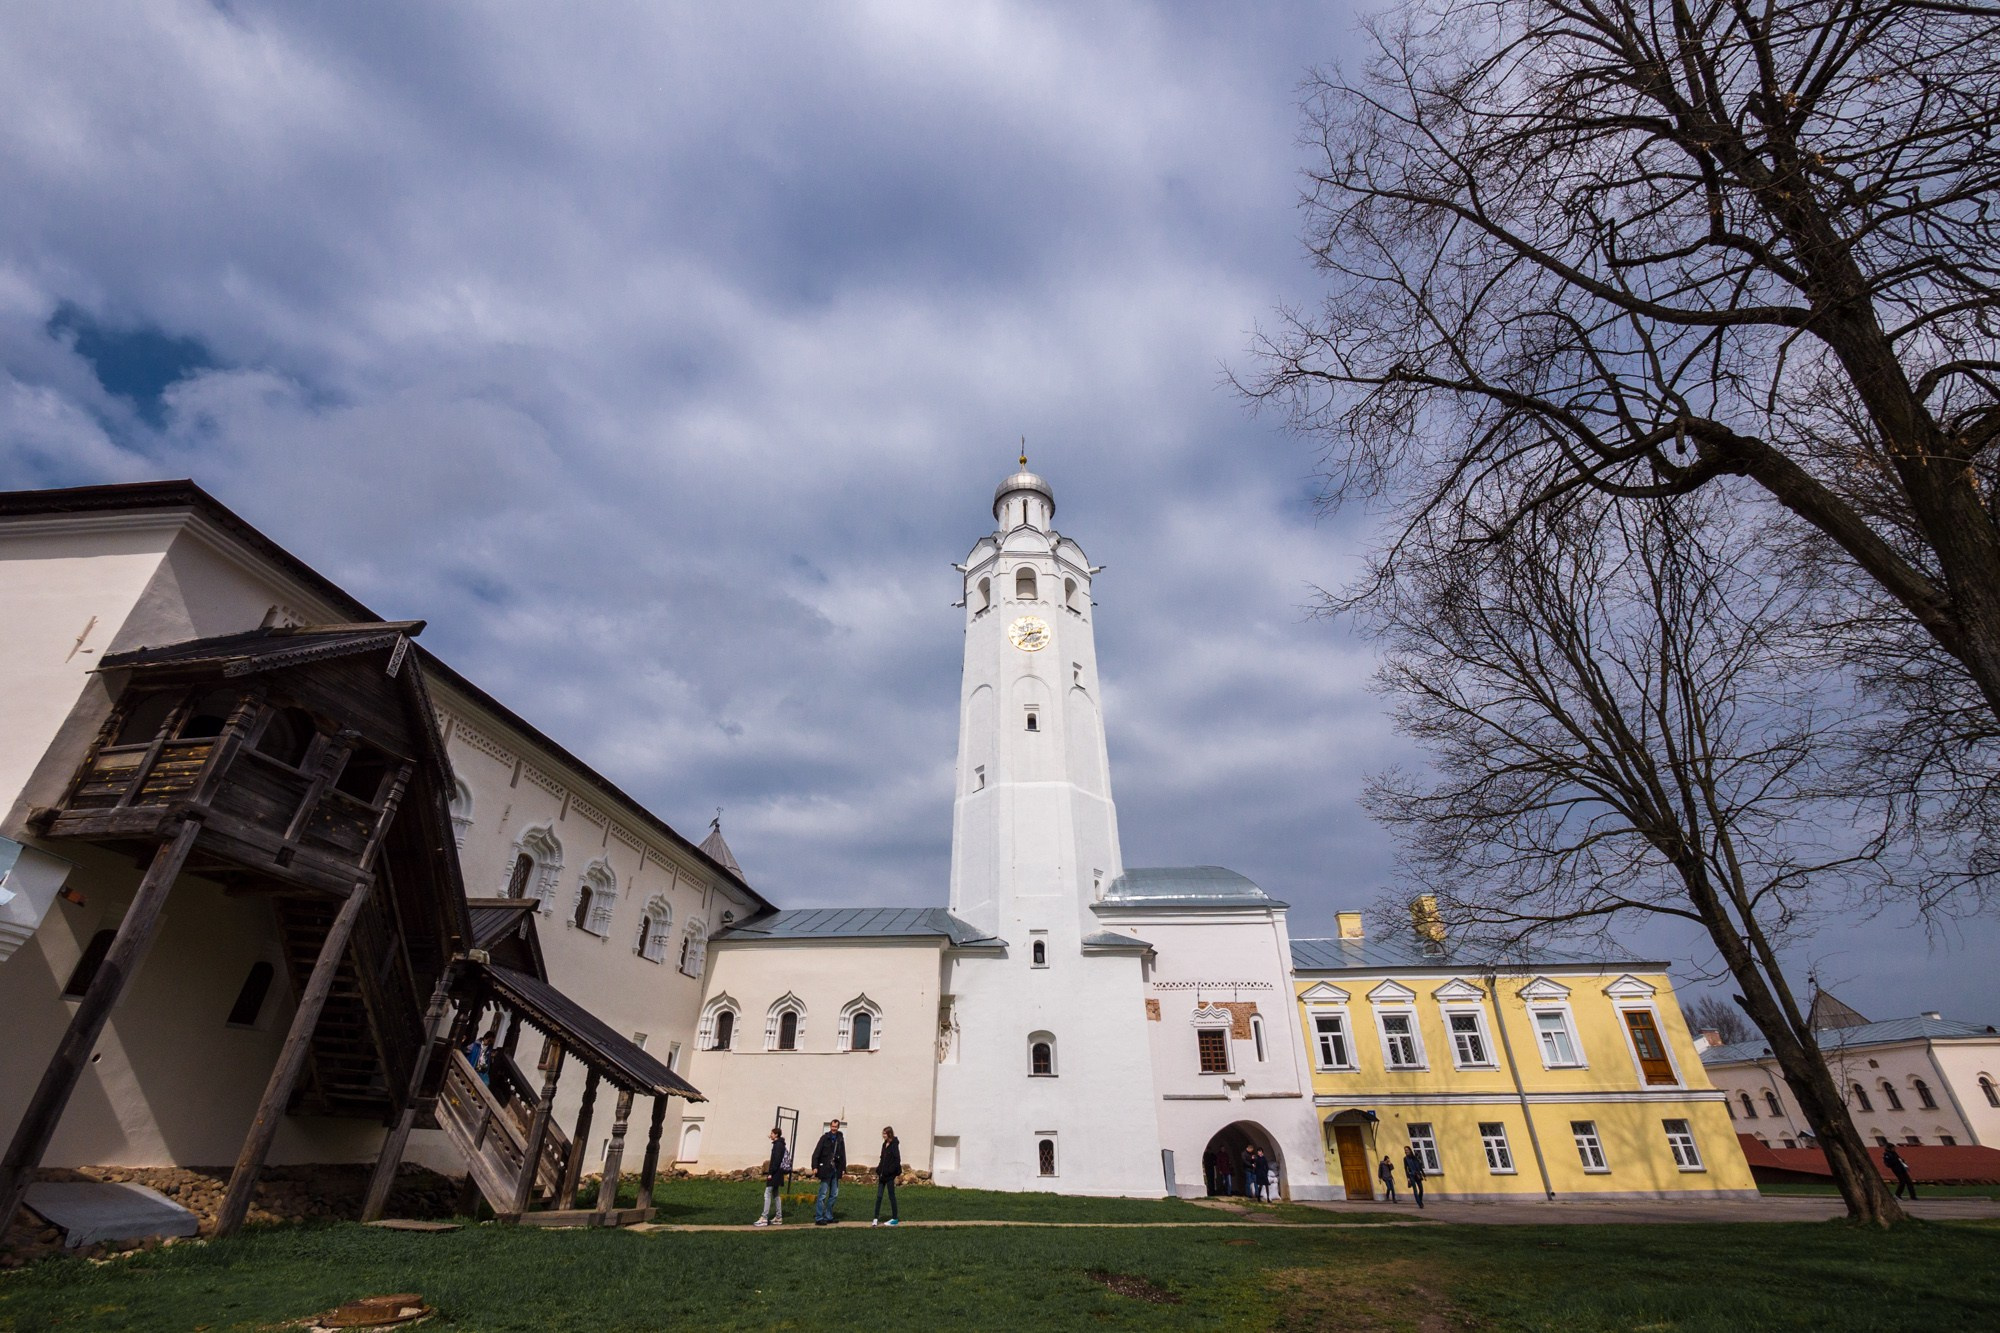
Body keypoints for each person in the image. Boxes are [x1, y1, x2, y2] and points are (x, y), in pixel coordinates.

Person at [811, 1117, 847, 1225]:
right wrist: (814, 1166)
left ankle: (828, 1216)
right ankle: (819, 1217)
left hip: (835, 1170)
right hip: (825, 1169)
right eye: (832, 1126)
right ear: (830, 1126)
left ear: (838, 1127)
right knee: (822, 1194)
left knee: (834, 1194)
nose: (834, 1128)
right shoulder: (824, 1138)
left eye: (835, 1127)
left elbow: (843, 1154)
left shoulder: (840, 1139)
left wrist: (843, 1168)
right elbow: (816, 1152)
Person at [754, 1126, 788, 1226]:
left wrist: (771, 1173)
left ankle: (764, 1217)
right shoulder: (781, 1144)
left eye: (772, 1133)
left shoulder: (777, 1145)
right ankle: (778, 1217)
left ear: (776, 1134)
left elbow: (776, 1160)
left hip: (775, 1173)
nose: (771, 1135)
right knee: (776, 1194)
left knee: (767, 1193)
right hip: (779, 1173)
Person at [872, 1126, 902, 1227]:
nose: (883, 1135)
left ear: (889, 1134)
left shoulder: (894, 1145)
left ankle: (894, 1218)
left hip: (889, 1176)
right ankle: (875, 1218)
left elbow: (897, 1160)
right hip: (882, 1175)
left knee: (891, 1196)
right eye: (883, 1133)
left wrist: (890, 1171)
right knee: (879, 1196)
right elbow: (882, 1159)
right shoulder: (884, 1145)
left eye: (885, 1133)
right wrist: (879, 1169)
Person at [1403, 1145, 1426, 1210]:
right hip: (1411, 1175)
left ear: (1410, 1150)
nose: (1406, 1151)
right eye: (1405, 1150)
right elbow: (1405, 1168)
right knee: (1415, 1190)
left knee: (1421, 1189)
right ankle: (1420, 1203)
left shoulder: (1415, 1157)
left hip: (1417, 1174)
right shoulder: (1405, 1159)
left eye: (1407, 1150)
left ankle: (1420, 1200)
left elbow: (1419, 1166)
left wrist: (1423, 1174)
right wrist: (1407, 1177)